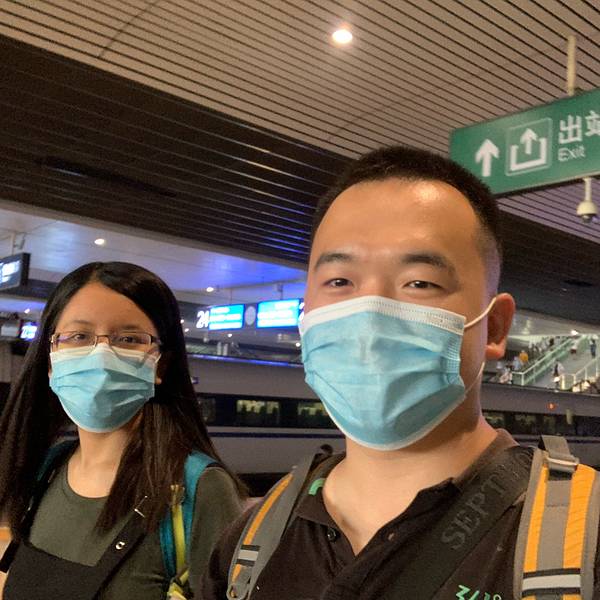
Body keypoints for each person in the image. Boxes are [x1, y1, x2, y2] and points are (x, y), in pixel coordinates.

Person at [200, 146, 600, 599]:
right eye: (339, 282)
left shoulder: (581, 542)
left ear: (495, 326)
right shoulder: (249, 544)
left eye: (420, 283)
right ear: (305, 311)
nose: (369, 315)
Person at [0, 262, 243, 599]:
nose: (101, 356)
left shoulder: (198, 490)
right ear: (50, 359)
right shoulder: (45, 471)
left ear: (161, 364)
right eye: (79, 336)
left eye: (128, 339)